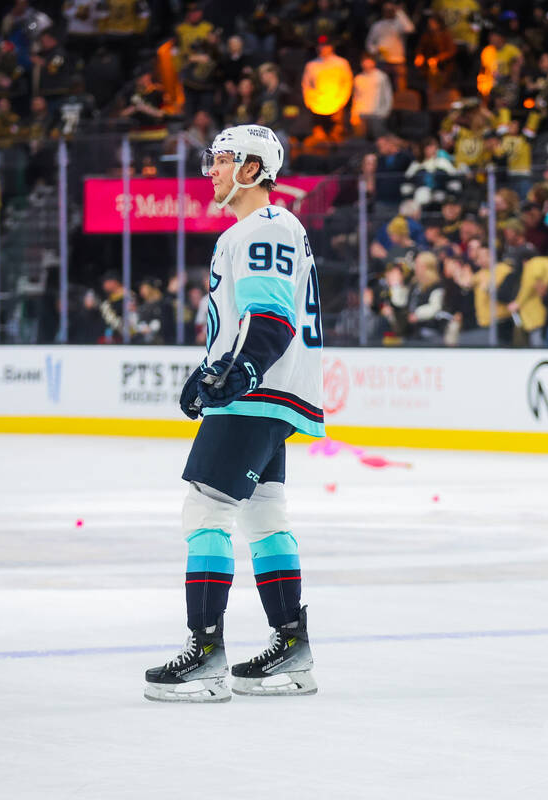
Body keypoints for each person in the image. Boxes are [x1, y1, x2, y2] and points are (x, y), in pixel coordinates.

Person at [144, 125, 323, 703]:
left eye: (222, 160)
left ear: (253, 169)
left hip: (257, 393)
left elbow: (270, 320)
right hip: (275, 392)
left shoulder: (262, 226)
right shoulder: (267, 228)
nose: (210, 171)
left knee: (205, 509)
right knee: (265, 514)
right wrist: (212, 369)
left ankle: (205, 653)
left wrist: (234, 375)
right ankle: (291, 648)